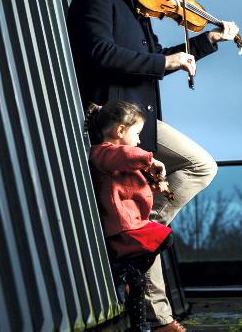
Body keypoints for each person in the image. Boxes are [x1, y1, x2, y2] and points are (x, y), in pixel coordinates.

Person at [66, 0, 239, 331]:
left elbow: (155, 57)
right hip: (114, 124)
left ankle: (138, 233)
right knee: (191, 172)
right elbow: (100, 53)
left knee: (200, 166)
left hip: (140, 120)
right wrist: (164, 62)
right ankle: (160, 318)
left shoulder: (137, 1)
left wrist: (204, 43)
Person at [85, 100, 174, 332]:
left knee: (137, 282)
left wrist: (154, 187)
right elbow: (125, 154)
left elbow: (130, 189)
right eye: (137, 134)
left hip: (131, 223)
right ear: (120, 131)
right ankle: (122, 269)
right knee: (165, 238)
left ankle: (139, 325)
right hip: (124, 227)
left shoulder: (117, 160)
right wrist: (150, 160)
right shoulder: (104, 153)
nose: (139, 141)